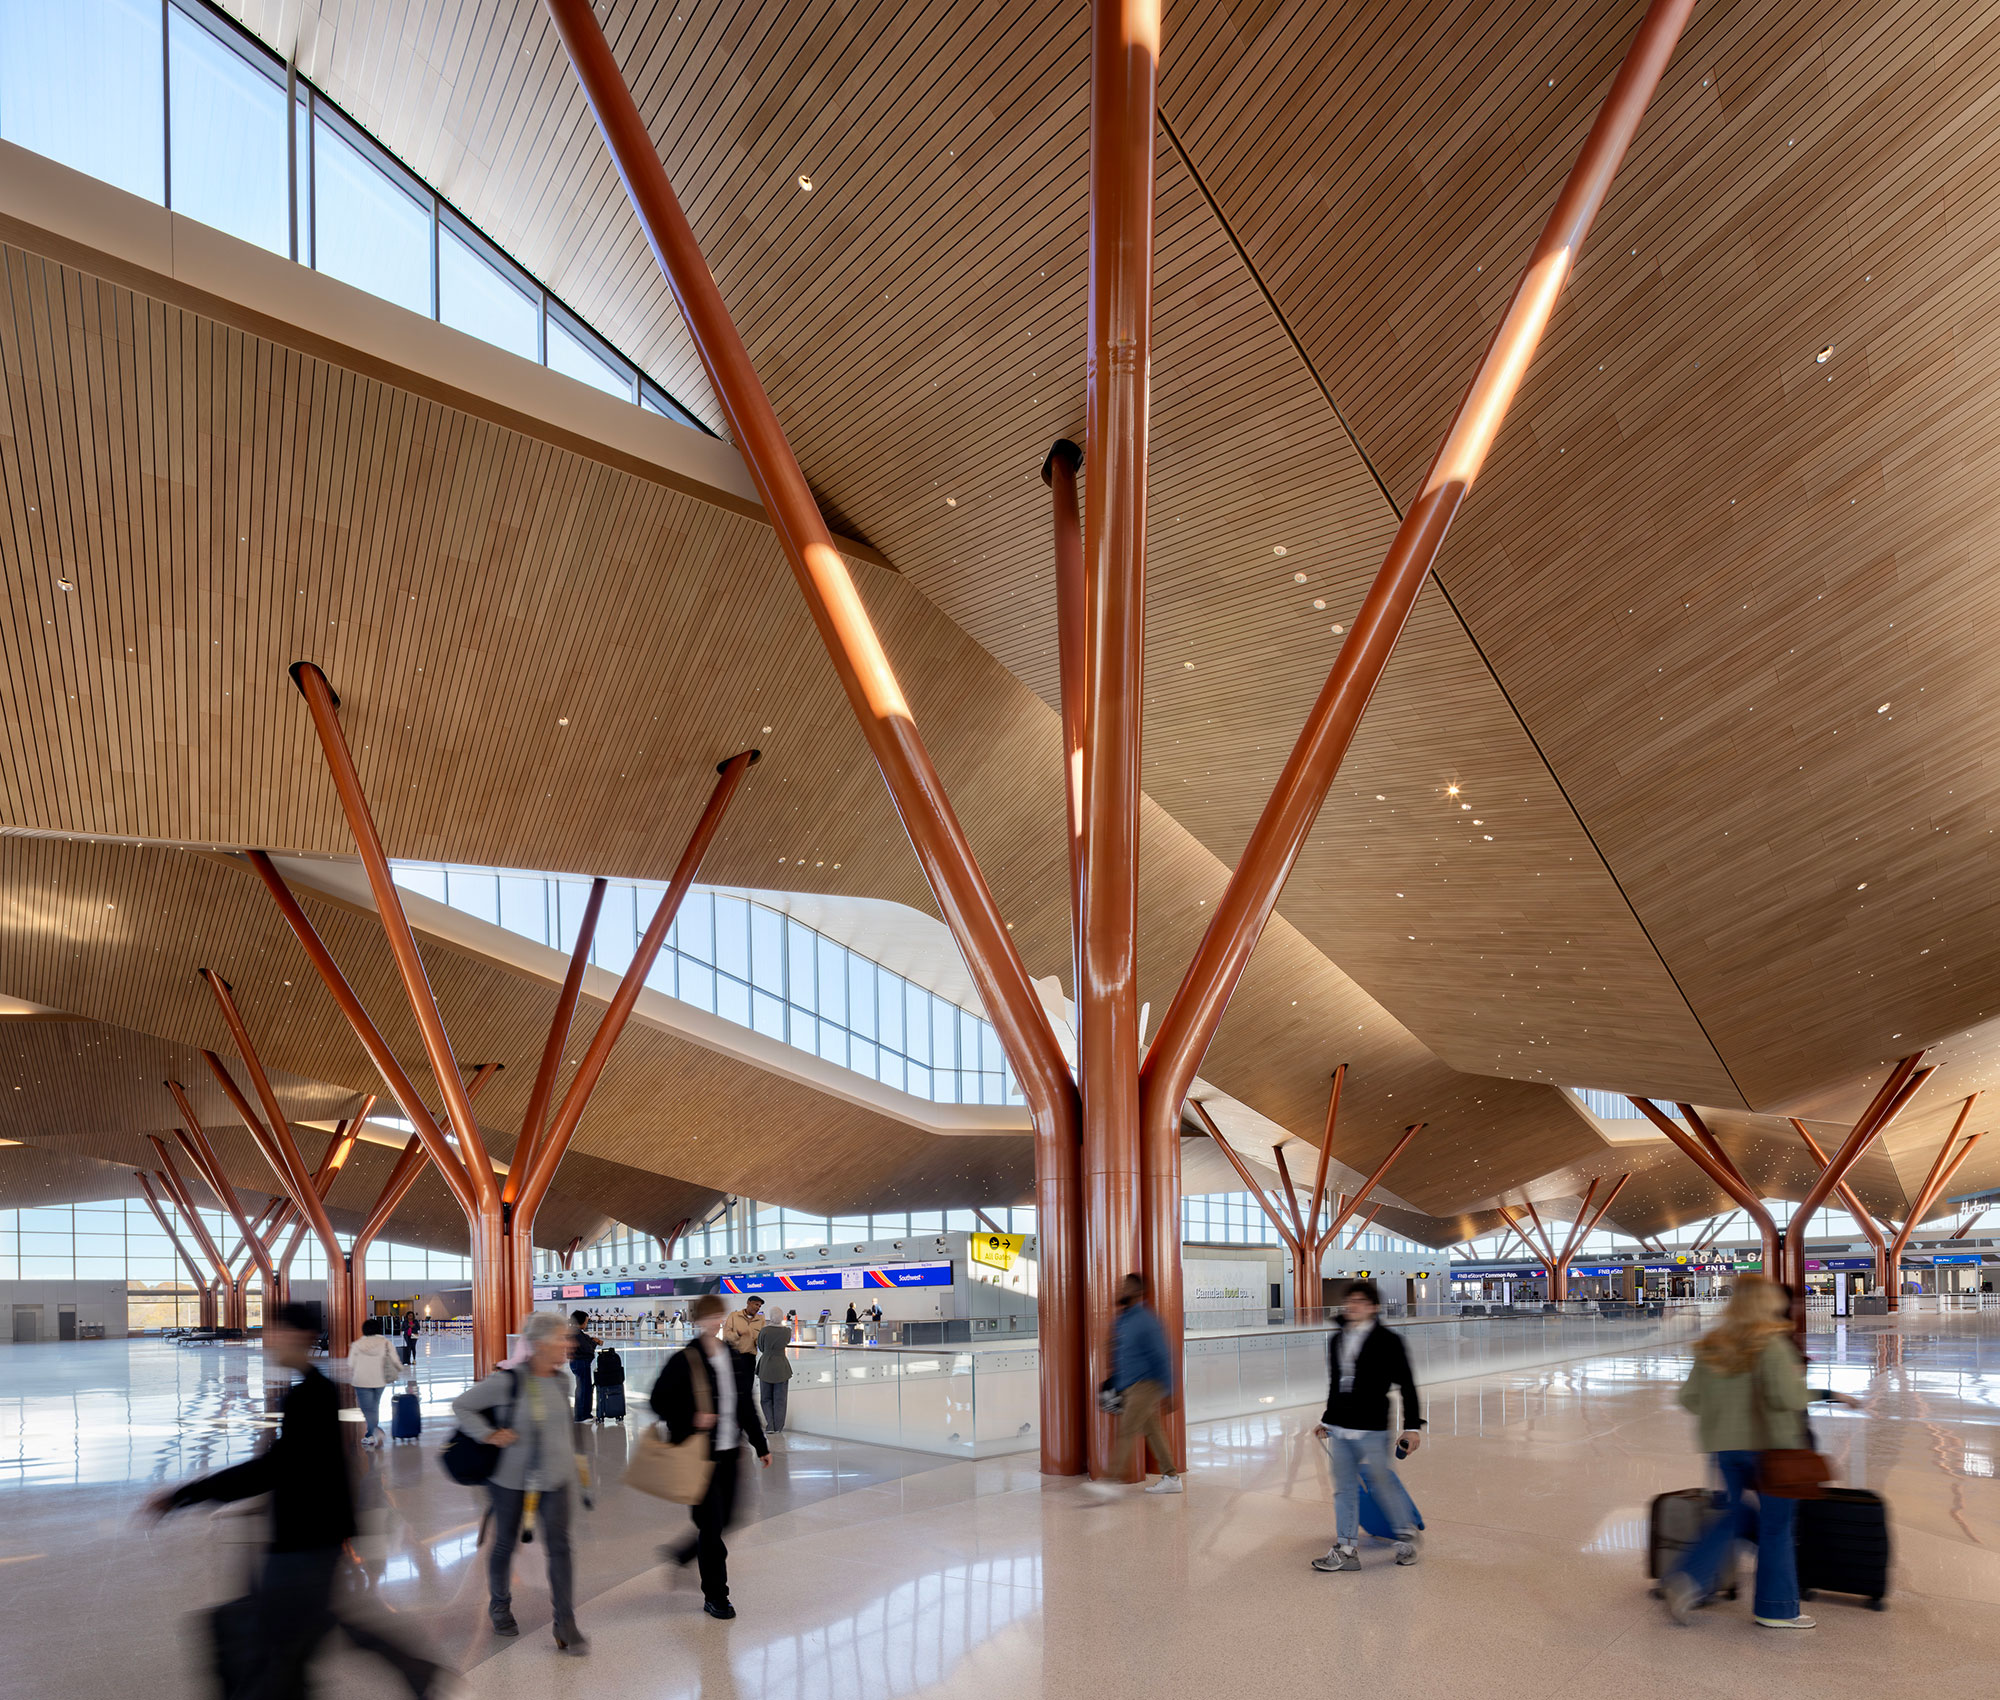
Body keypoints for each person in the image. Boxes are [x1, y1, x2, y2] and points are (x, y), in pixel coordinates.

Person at [144, 1304, 442, 1696]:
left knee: (289, 1640)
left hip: (304, 1540)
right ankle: (420, 1675)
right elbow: (309, 1466)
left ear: (299, 1336)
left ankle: (421, 1675)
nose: (270, 1341)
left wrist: (186, 1495)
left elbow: (275, 1468)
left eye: (276, 1331)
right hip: (309, 1535)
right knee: (314, 1629)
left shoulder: (310, 1397)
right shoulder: (311, 1392)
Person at [1662, 1274, 1819, 1630]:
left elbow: (1688, 1399)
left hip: (1725, 1449)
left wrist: (1725, 1409)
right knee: (1777, 1528)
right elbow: (1789, 1398)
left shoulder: (1711, 1344)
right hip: (1771, 1450)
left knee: (1735, 1514)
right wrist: (1821, 1391)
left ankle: (1689, 1577)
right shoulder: (1773, 1343)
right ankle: (1777, 1610)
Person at [452, 1310, 590, 1653]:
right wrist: (489, 1434)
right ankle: (499, 1605)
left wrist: (577, 1472)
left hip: (555, 1481)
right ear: (540, 1344)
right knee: (505, 1544)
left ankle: (565, 1621)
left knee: (560, 1548)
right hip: (511, 1481)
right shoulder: (508, 1381)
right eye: (561, 1338)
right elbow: (462, 1406)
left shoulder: (561, 1381)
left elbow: (563, 1431)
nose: (569, 1344)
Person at [652, 1293, 771, 1619]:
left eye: (717, 1315)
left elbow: (744, 1403)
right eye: (707, 1316)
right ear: (697, 1321)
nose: (714, 1322)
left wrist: (760, 1444)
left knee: (729, 1518)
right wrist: (692, 1417)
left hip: (730, 1452)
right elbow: (658, 1401)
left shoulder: (731, 1356)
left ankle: (683, 1554)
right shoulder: (684, 1360)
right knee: (711, 1526)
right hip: (697, 1456)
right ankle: (716, 1595)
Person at [1311, 1279, 1423, 1571]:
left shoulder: (1388, 1341)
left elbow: (1407, 1385)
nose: (1353, 1306)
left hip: (1373, 1428)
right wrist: (1326, 1419)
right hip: (1341, 1428)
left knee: (1382, 1484)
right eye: (1350, 1301)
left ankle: (1405, 1537)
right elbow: (1337, 1384)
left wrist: (1412, 1427)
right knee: (1344, 1489)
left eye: (1360, 1301)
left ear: (1373, 1307)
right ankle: (1346, 1549)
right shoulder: (1337, 1339)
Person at [1087, 1272, 1183, 1496]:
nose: (1121, 1290)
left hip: (1146, 1384)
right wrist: (1114, 1385)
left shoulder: (1146, 1321)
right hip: (1129, 1385)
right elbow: (1120, 1354)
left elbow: (1162, 1356)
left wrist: (1171, 1391)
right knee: (1153, 1431)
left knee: (1126, 1430)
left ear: (1138, 1292)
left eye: (1126, 1287)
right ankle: (1172, 1477)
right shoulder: (1122, 1320)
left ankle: (1109, 1483)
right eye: (1121, 1286)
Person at [347, 1316, 403, 1447]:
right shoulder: (386, 1343)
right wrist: (400, 1369)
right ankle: (370, 1435)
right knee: (374, 1407)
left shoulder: (357, 1345)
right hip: (379, 1380)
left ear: (364, 1330)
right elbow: (395, 1360)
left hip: (361, 1381)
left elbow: (351, 1363)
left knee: (366, 1409)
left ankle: (375, 1431)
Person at [755, 1312, 794, 1434]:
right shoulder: (786, 1331)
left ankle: (770, 1425)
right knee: (780, 1399)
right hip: (782, 1366)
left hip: (766, 1366)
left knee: (766, 1397)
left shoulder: (764, 1331)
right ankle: (778, 1426)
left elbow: (760, 1346)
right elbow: (787, 1342)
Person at [567, 1309, 600, 1422]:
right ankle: (582, 1415)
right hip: (581, 1363)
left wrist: (592, 1341)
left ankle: (584, 1414)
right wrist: (595, 1343)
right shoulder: (576, 1334)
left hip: (578, 1363)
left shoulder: (575, 1332)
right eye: (586, 1321)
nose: (586, 1324)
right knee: (584, 1389)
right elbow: (587, 1349)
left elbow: (586, 1341)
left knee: (583, 1388)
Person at [721, 1293, 766, 1357]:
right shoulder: (734, 1316)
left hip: (750, 1357)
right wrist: (737, 1334)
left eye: (759, 1306)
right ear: (748, 1303)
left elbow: (761, 1339)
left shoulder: (761, 1320)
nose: (758, 1308)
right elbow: (726, 1335)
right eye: (756, 1304)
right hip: (734, 1355)